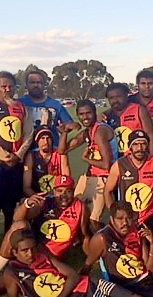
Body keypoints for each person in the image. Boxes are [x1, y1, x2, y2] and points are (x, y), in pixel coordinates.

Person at [0, 175, 91, 288]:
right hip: (32, 247)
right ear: (53, 191)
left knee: (23, 279)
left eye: (68, 191)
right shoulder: (46, 201)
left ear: (73, 191)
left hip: (51, 256)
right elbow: (17, 218)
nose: (63, 195)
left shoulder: (81, 208)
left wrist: (89, 260)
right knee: (19, 225)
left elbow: (84, 235)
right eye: (59, 191)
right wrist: (27, 205)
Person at [83, 201, 153, 297]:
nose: (125, 223)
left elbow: (150, 270)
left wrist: (152, 243)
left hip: (152, 276)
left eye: (128, 218)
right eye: (120, 219)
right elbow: (88, 265)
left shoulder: (138, 231)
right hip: (132, 284)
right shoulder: (102, 238)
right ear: (112, 219)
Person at [0, 229, 136, 297]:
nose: (30, 253)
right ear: (14, 252)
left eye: (32, 249)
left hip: (85, 285)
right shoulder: (12, 273)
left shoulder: (43, 254)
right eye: (24, 251)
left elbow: (73, 275)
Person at [0, 71, 34, 233]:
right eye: (3, 86)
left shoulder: (21, 107)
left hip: (16, 163)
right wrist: (4, 156)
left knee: (11, 206)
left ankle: (10, 239)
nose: (7, 90)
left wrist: (18, 155)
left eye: (10, 86)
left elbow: (28, 133)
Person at [105, 131, 153, 250]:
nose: (140, 148)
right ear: (130, 147)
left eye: (143, 144)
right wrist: (115, 213)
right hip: (127, 217)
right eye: (136, 144)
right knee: (124, 248)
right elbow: (107, 191)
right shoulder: (119, 165)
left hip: (151, 215)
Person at [58, 99, 119, 231]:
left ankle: (109, 241)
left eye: (88, 113)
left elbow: (107, 164)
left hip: (105, 178)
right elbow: (62, 150)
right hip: (92, 176)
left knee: (93, 220)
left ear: (95, 113)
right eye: (81, 114)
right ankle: (85, 239)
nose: (85, 117)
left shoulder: (99, 131)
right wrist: (65, 132)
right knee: (76, 210)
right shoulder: (87, 132)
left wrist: (86, 160)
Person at [18, 70, 74, 148]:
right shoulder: (18, 104)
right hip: (26, 151)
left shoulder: (56, 105)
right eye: (32, 82)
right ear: (26, 85)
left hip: (51, 151)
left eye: (39, 82)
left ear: (44, 84)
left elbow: (68, 123)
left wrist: (65, 129)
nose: (36, 85)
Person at [102, 83, 153, 156]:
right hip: (115, 161)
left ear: (126, 95)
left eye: (118, 96)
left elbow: (150, 135)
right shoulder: (105, 116)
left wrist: (152, 159)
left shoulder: (139, 110)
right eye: (111, 98)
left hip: (137, 159)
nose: (115, 100)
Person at [128, 70, 153, 154]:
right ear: (138, 85)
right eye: (143, 83)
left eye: (150, 83)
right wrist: (104, 114)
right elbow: (116, 107)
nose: (147, 87)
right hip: (135, 151)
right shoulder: (130, 100)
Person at [23, 126, 70, 197]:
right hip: (36, 195)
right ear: (37, 141)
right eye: (42, 138)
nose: (46, 142)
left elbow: (67, 181)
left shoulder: (60, 154)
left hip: (57, 196)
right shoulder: (31, 156)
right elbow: (26, 187)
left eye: (48, 138)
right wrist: (37, 197)